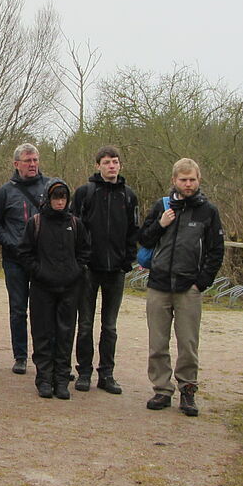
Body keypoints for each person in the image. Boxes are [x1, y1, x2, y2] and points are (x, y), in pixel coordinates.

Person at [138, 158, 225, 416]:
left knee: (188, 343)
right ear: (174, 180)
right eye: (183, 179)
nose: (188, 184)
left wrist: (201, 283)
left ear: (199, 180)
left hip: (189, 288)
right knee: (157, 343)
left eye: (192, 180)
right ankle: (161, 389)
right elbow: (143, 238)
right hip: (159, 284)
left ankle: (188, 389)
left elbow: (215, 251)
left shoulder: (208, 211)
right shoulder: (161, 207)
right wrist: (160, 224)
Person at [71, 145, 139, 394]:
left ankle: (107, 373)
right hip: (89, 269)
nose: (112, 166)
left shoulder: (129, 196)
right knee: (85, 323)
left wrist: (127, 260)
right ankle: (84, 372)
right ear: (98, 165)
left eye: (116, 162)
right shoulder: (85, 193)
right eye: (107, 162)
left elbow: (134, 231)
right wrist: (81, 260)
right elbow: (74, 227)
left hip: (116, 270)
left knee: (110, 326)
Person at [17, 180, 91, 399]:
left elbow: (85, 252)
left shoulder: (75, 224)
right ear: (47, 199)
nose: (59, 202)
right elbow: (24, 253)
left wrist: (76, 271)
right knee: (42, 333)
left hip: (69, 287)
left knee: (65, 334)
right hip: (42, 287)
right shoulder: (36, 222)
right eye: (55, 197)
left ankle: (61, 379)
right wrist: (39, 272)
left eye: (63, 197)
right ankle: (44, 379)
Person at [0, 142, 52, 374]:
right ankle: (20, 356)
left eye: (35, 160)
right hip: (14, 260)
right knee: (18, 309)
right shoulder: (6, 191)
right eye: (28, 160)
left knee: (44, 310)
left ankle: (46, 357)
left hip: (44, 260)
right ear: (16, 164)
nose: (33, 164)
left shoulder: (50, 186)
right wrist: (10, 242)